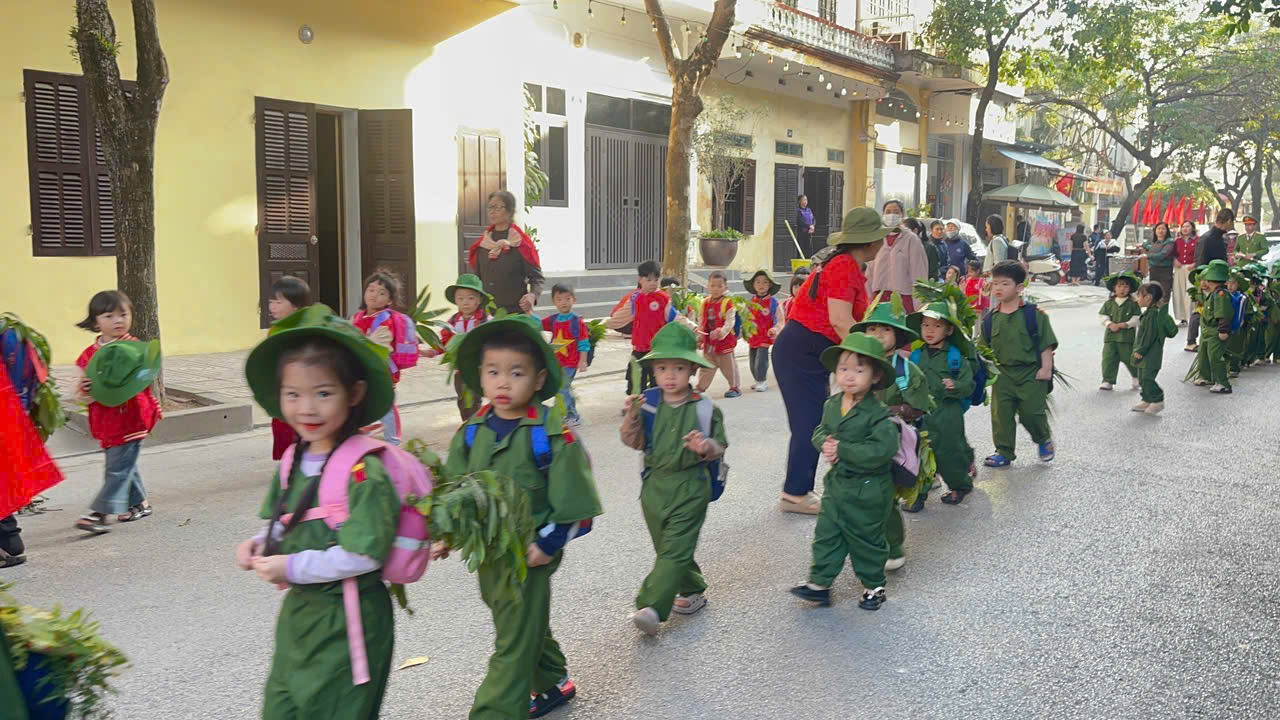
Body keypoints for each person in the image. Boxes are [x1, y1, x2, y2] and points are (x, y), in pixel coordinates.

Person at [236, 305, 401, 719]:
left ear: (354, 393)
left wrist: (291, 567)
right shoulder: (293, 460)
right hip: (300, 619)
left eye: (323, 393)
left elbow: (366, 554)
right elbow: (289, 523)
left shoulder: (365, 471)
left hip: (349, 624)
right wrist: (261, 544)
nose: (306, 408)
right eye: (293, 394)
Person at [443, 315, 603, 719]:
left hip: (530, 553)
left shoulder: (550, 433)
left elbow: (575, 500)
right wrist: (444, 532)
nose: (503, 382)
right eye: (493, 372)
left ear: (538, 379)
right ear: (480, 376)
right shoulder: (471, 432)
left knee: (512, 639)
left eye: (516, 373)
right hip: (488, 554)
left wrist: (549, 543)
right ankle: (551, 680)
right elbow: (453, 490)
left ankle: (495, 711)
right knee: (515, 619)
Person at [773, 208, 886, 515]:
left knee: (814, 420)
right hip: (800, 351)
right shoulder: (844, 266)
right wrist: (868, 357)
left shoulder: (848, 265)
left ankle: (800, 489)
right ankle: (794, 494)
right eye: (880, 237)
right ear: (869, 241)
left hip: (810, 352)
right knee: (809, 423)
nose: (883, 242)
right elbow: (840, 320)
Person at [620, 322, 727, 635]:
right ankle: (692, 589)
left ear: (692, 369)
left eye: (678, 368)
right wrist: (632, 418)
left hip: (691, 485)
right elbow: (634, 442)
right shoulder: (648, 402)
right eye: (662, 367)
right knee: (667, 546)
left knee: (675, 547)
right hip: (654, 487)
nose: (670, 375)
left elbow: (720, 445)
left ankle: (652, 607)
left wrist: (705, 447)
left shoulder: (704, 407)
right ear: (653, 369)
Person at [788, 332, 899, 610]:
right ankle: (820, 583)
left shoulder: (878, 414)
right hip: (837, 484)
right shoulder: (832, 404)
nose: (849, 376)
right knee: (827, 533)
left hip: (868, 489)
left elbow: (883, 450)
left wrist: (843, 450)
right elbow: (821, 429)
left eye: (859, 371)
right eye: (843, 369)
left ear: (875, 376)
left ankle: (874, 586)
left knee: (866, 539)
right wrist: (823, 442)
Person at [72, 290, 161, 534]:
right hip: (106, 421)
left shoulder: (135, 349)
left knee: (117, 467)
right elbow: (83, 395)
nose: (118, 321)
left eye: (123, 314)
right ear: (95, 323)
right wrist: (86, 389)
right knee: (123, 463)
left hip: (132, 418)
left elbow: (145, 377)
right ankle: (139, 503)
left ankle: (101, 514)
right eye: (109, 316)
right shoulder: (88, 356)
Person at [852, 301, 933, 563]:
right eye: (872, 329)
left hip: (892, 444)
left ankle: (893, 547)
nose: (877, 334)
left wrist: (891, 411)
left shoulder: (907, 370)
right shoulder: (854, 366)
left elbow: (919, 409)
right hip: (860, 444)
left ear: (897, 336)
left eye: (885, 329)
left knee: (885, 498)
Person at [979, 261, 1058, 468]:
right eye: (995, 283)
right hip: (1002, 375)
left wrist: (1046, 369)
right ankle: (1003, 451)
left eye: (1005, 284)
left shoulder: (1034, 315)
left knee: (1031, 413)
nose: (998, 288)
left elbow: (1046, 344)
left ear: (1019, 287)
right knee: (1001, 415)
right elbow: (983, 350)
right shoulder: (990, 319)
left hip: (1031, 373)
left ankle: (1043, 438)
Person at [908, 302, 977, 505]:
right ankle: (918, 495)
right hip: (921, 413)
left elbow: (969, 385)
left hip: (948, 413)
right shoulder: (916, 355)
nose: (930, 330)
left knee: (950, 452)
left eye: (937, 326)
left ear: (949, 330)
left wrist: (955, 385)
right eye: (925, 325)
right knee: (919, 454)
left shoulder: (955, 357)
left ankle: (959, 485)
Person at [425, 273, 492, 421]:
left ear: (479, 299)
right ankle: (466, 422)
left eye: (470, 298)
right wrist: (434, 350)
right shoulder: (453, 321)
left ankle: (474, 424)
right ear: (455, 300)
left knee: (474, 398)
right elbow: (445, 341)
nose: (465, 302)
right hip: (459, 368)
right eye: (460, 298)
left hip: (477, 367)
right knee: (462, 398)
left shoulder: (486, 320)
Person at [467, 189, 545, 314]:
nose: (492, 211)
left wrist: (532, 295)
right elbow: (477, 279)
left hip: (514, 312)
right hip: (486, 313)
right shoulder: (483, 243)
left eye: (498, 207)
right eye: (490, 207)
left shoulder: (520, 243)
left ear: (510, 211)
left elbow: (537, 278)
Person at [351, 270, 406, 445]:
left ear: (389, 300)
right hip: (361, 372)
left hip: (381, 373)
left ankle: (393, 441)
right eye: (371, 289)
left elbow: (378, 347)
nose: (374, 295)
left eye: (381, 293)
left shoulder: (385, 320)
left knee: (386, 407)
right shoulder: (357, 317)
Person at [267, 276, 312, 460]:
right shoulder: (274, 330)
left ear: (296, 306)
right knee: (283, 431)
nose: (272, 306)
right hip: (283, 391)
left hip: (303, 391)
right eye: (271, 301)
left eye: (278, 302)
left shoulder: (306, 329)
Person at [865, 200, 929, 313]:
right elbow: (869, 271)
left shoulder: (911, 239)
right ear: (883, 214)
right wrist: (868, 299)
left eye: (896, 212)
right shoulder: (876, 238)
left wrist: (920, 306)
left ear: (902, 215)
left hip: (904, 298)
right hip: (879, 297)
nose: (892, 215)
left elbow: (919, 272)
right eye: (888, 212)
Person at [625, 260, 677, 397]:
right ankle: (636, 405)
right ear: (640, 279)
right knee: (635, 384)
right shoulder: (635, 297)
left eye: (656, 280)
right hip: (638, 348)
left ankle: (658, 405)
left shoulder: (663, 299)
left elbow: (676, 317)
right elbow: (623, 316)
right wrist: (605, 325)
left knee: (657, 384)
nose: (653, 283)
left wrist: (693, 328)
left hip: (657, 350)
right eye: (649, 280)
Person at [541, 284, 591, 426]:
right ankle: (568, 413)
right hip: (558, 362)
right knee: (563, 388)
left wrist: (583, 361)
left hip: (571, 362)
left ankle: (571, 415)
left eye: (567, 299)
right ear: (554, 301)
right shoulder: (553, 319)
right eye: (559, 299)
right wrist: (528, 314)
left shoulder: (576, 321)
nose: (564, 302)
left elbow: (584, 342)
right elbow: (538, 324)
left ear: (574, 300)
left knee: (563, 387)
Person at [1130, 282, 1179, 415]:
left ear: (1148, 298)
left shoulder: (1152, 314)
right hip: (1146, 353)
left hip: (1150, 354)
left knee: (1147, 378)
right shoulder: (1150, 312)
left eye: (1139, 295)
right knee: (1142, 377)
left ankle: (1158, 400)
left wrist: (1141, 350)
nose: (1137, 298)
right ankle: (1147, 399)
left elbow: (1149, 335)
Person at [1190, 210, 1235, 351]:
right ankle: (1192, 340)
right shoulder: (1207, 238)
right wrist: (1202, 280)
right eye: (1232, 222)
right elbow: (1200, 261)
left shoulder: (1220, 238)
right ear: (1228, 221)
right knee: (1202, 311)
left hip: (1219, 281)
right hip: (1208, 281)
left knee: (1216, 311)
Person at [695, 271, 742, 398]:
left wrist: (721, 332)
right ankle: (700, 387)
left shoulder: (728, 303)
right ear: (708, 286)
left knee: (728, 367)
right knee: (706, 367)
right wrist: (700, 337)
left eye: (719, 286)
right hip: (709, 343)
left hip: (724, 343)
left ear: (725, 287)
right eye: (713, 285)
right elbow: (701, 320)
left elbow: (730, 322)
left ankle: (734, 387)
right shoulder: (705, 303)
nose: (716, 289)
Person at [1192, 259, 1234, 394]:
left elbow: (1223, 313)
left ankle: (1222, 382)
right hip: (1207, 330)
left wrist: (1223, 330)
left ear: (1211, 281)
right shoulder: (1213, 293)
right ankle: (1206, 376)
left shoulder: (1221, 294)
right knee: (1203, 354)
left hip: (1216, 330)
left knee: (1215, 357)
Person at [1098, 271, 1142, 391]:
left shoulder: (1133, 304)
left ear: (1130, 289)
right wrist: (1109, 324)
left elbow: (1137, 318)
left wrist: (1126, 324)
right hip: (1110, 337)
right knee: (1108, 359)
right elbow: (1102, 316)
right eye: (1119, 286)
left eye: (1125, 286)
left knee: (1130, 359)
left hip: (1126, 338)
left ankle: (1136, 377)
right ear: (1114, 288)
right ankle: (1107, 380)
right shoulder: (1109, 303)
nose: (1122, 289)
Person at [743, 269, 783, 392]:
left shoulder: (773, 302)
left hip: (765, 336)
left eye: (765, 282)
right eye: (758, 282)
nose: (761, 285)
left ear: (770, 285)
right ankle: (757, 380)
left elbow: (780, 320)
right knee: (752, 361)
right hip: (753, 337)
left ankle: (762, 381)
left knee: (761, 360)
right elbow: (746, 318)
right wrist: (744, 331)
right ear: (753, 285)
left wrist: (775, 329)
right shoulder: (750, 302)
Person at [1172, 220, 1199, 331]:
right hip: (1179, 269)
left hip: (1191, 268)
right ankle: (1182, 318)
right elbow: (1173, 254)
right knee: (1179, 292)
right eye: (1183, 227)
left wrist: (1195, 264)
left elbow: (1200, 254)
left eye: (1187, 226)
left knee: (1190, 292)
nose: (1185, 229)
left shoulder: (1197, 240)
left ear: (1192, 228)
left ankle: (1192, 316)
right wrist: (1175, 261)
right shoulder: (1177, 241)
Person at [1145, 223, 1176, 299]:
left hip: (1164, 271)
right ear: (1155, 231)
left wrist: (1148, 256)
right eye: (1158, 228)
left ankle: (1163, 307)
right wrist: (1144, 245)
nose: (1160, 231)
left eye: (1163, 228)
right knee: (1153, 292)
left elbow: (1162, 255)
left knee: (1164, 293)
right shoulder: (1156, 242)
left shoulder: (1170, 242)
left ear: (1167, 230)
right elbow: (1152, 248)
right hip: (1153, 270)